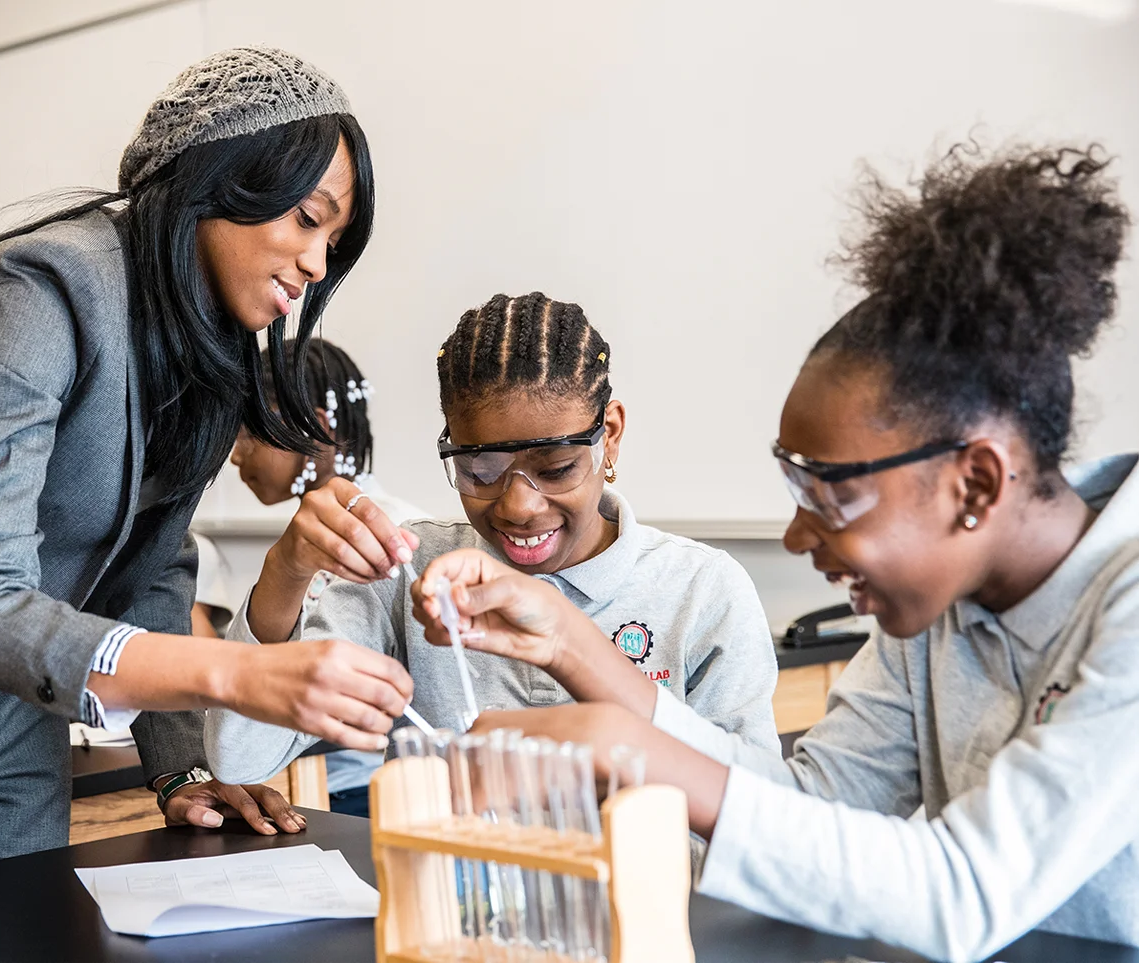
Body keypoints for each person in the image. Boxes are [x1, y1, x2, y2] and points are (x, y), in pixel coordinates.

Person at [416, 144, 1139, 961]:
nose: (797, 537)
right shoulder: (937, 617)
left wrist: (628, 750)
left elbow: (965, 890)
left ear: (973, 485)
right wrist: (569, 642)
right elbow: (808, 802)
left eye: (828, 494)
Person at [0, 46, 414, 901]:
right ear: (216, 182)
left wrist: (179, 768)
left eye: (335, 239)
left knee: (21, 935)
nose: (318, 263)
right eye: (307, 219)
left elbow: (149, 565)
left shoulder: (210, 343)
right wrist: (239, 673)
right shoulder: (37, 287)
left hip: (17, 695)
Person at [206, 293, 780, 801]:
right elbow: (240, 758)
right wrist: (286, 570)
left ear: (611, 435)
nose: (519, 506)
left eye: (555, 469)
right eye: (480, 469)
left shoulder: (700, 589)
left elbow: (765, 810)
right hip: (455, 914)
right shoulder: (408, 576)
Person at [224, 337, 427, 816]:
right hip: (295, 777)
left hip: (362, 795)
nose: (236, 456)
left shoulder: (395, 540)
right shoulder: (297, 547)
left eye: (249, 435)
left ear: (314, 428)